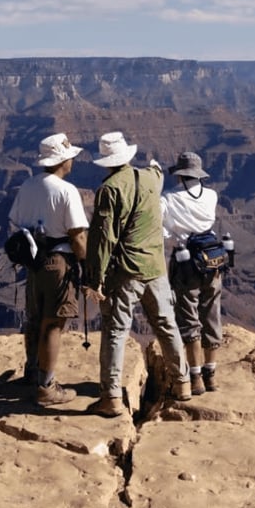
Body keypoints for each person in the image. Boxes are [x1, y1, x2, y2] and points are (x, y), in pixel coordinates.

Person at [84, 131, 191, 417]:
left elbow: (103, 238)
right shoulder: (151, 179)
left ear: (106, 161)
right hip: (156, 268)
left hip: (126, 273)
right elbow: (157, 170)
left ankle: (111, 398)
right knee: (167, 325)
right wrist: (155, 163)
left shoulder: (109, 189)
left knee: (116, 331)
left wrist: (94, 279)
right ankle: (183, 383)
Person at [7, 132, 88, 407]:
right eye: (70, 158)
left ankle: (31, 372)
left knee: (35, 318)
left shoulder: (28, 186)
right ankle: (46, 386)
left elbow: (15, 223)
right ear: (63, 160)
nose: (73, 162)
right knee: (53, 323)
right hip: (58, 263)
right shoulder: (66, 191)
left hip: (34, 263)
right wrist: (87, 266)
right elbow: (77, 236)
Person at [161, 151, 224, 394]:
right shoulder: (212, 195)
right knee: (211, 314)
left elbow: (164, 231)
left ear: (179, 174)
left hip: (186, 263)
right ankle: (212, 375)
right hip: (213, 260)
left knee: (189, 318)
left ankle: (196, 378)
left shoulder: (168, 198)